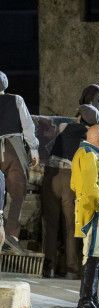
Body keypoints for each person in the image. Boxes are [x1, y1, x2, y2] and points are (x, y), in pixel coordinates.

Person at [41, 104, 99, 279]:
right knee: (71, 226)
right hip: (71, 178)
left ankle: (48, 267)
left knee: (51, 225)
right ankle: (71, 269)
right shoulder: (90, 136)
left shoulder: (64, 128)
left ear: (79, 117)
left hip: (51, 176)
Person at [70, 125, 99, 308]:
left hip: (95, 207)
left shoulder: (88, 152)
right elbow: (89, 186)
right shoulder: (88, 154)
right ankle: (86, 300)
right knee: (92, 254)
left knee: (95, 254)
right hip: (95, 211)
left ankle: (92, 298)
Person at [0, 71, 40, 254]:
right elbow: (27, 126)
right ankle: (10, 234)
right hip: (12, 147)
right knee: (18, 191)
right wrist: (34, 150)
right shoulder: (16, 99)